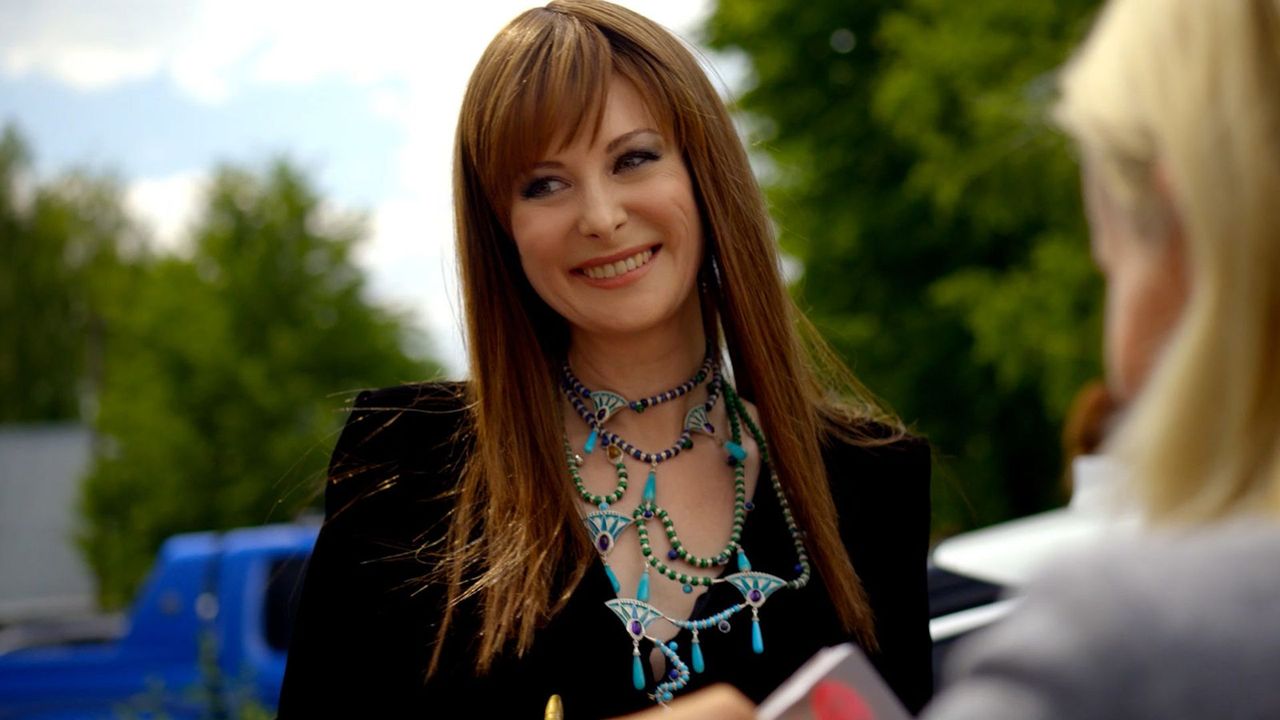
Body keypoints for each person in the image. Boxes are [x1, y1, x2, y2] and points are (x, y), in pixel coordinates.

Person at [277, 1, 933, 717]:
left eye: (634, 159)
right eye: (544, 184)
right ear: (503, 228)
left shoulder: (871, 480)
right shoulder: (408, 466)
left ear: (703, 172)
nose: (600, 216)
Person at [632, 0, 1280, 717]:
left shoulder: (1128, 642)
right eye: (547, 182)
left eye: (1111, 265)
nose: (602, 217)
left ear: (1180, 230)